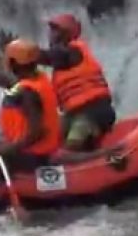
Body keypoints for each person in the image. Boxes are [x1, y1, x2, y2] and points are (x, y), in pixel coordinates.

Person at [0, 38, 60, 170]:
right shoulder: (36, 77)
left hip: (33, 156)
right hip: (30, 150)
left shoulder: (28, 93)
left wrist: (4, 150)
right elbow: (6, 81)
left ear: (12, 62)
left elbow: (37, 133)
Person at [39, 13, 116, 151]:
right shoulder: (60, 64)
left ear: (65, 33)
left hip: (93, 112)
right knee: (47, 144)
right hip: (73, 114)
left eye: (54, 30)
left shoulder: (74, 51)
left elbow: (49, 57)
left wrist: (25, 52)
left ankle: (108, 154)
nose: (50, 34)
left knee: (66, 152)